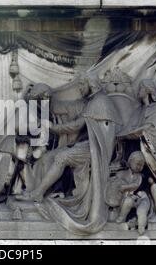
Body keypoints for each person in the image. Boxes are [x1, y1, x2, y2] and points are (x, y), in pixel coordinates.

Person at [17, 74, 122, 235]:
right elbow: (68, 112)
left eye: (81, 85)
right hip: (90, 146)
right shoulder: (93, 102)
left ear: (90, 84)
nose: (79, 89)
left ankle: (38, 193)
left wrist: (52, 127)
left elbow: (76, 126)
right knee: (52, 156)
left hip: (97, 151)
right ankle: (39, 190)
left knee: (61, 157)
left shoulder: (98, 102)